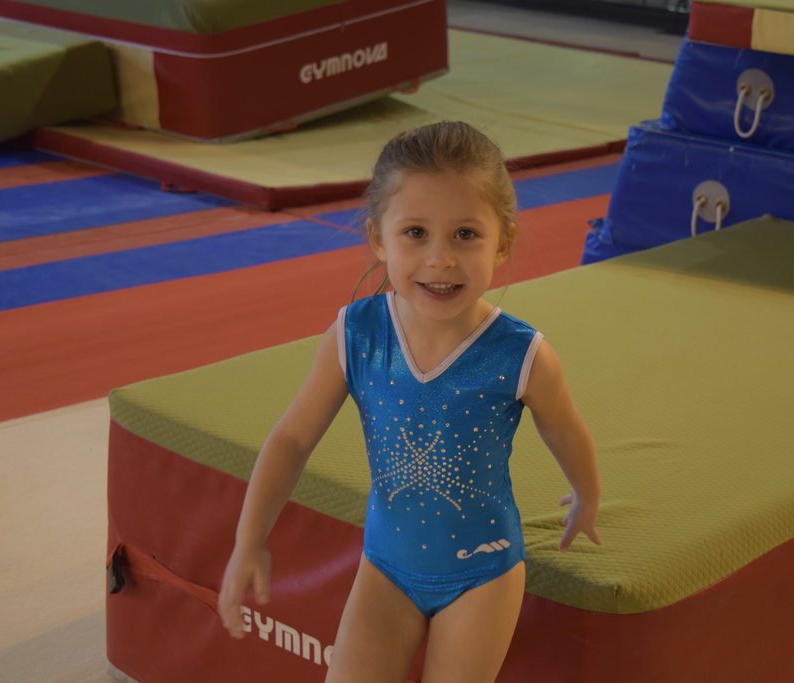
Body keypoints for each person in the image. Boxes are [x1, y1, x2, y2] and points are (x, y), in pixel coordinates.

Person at [218, 121, 602, 683]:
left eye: (465, 234)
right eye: (416, 232)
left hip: (483, 573)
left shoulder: (521, 354)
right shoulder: (357, 335)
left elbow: (565, 429)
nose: (440, 259)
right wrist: (249, 540)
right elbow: (293, 439)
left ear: (503, 242)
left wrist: (587, 495)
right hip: (386, 568)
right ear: (379, 239)